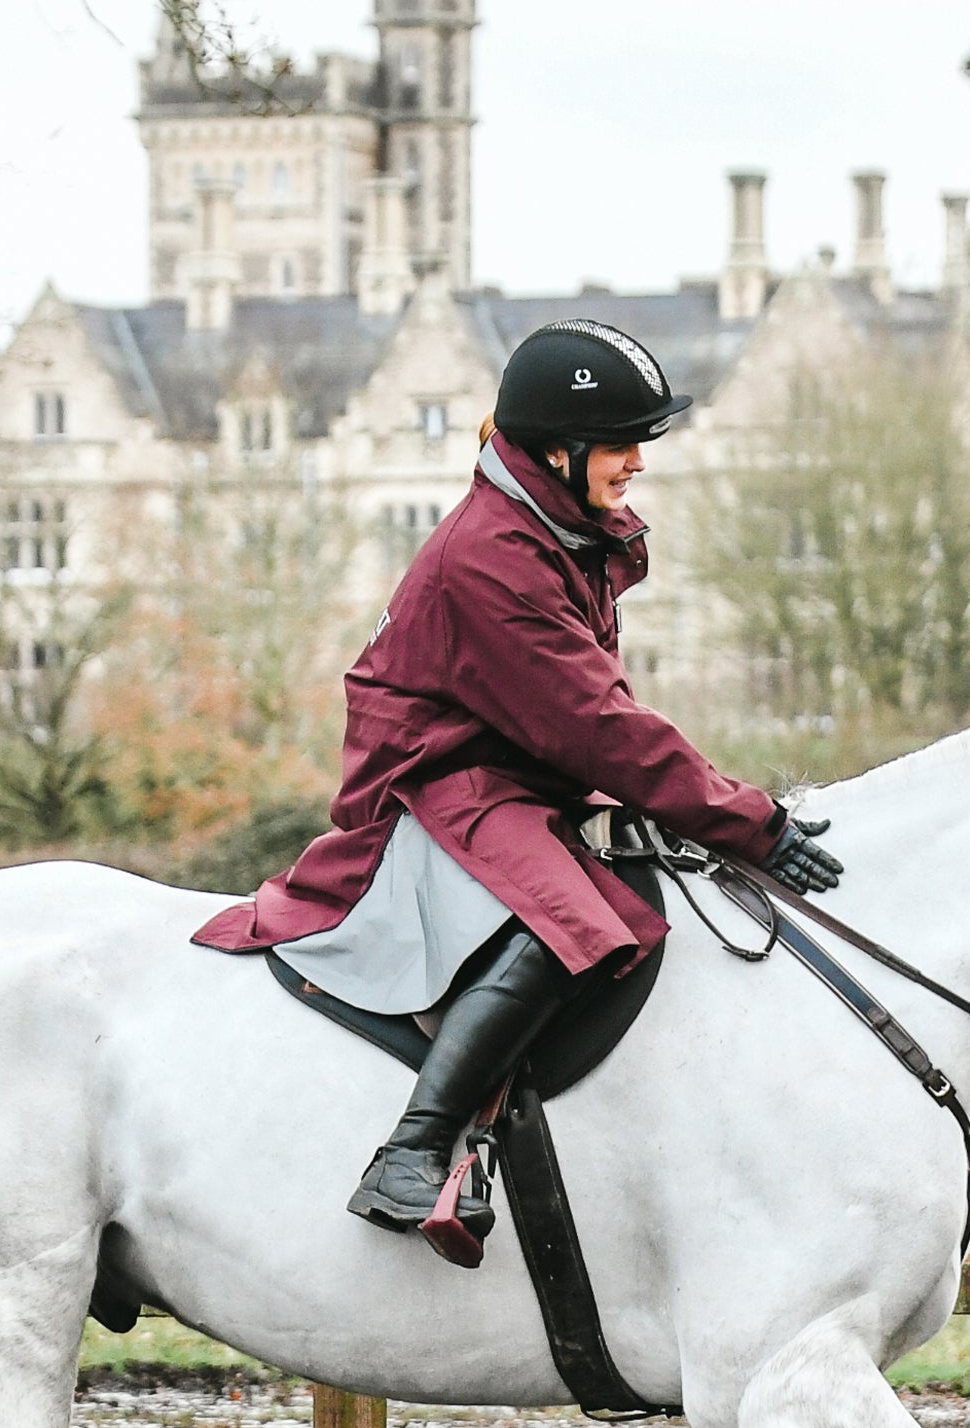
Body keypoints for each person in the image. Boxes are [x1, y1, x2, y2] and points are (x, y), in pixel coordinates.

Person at [193, 318, 843, 1256]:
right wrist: (752, 823)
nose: (636, 464)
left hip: (507, 767)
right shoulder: (493, 555)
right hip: (437, 776)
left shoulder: (558, 529)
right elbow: (600, 727)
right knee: (565, 919)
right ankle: (411, 1154)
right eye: (620, 443)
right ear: (558, 449)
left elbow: (595, 714)